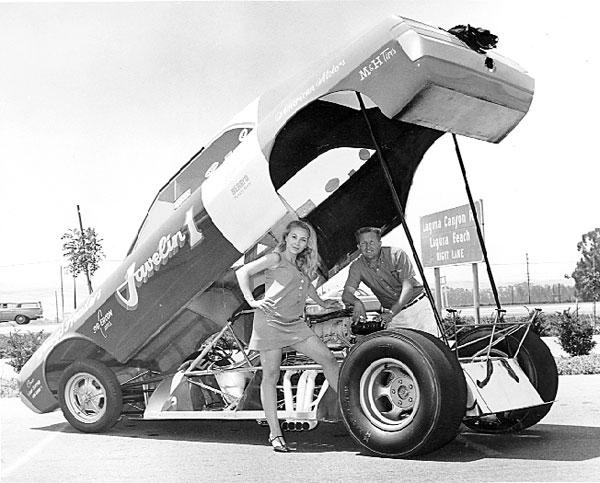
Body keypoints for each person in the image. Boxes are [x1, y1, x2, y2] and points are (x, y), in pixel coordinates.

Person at [235, 220, 340, 453]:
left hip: (295, 324)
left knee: (329, 359)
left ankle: (351, 411)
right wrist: (252, 300)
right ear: (285, 238)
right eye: (294, 237)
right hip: (270, 322)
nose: (298, 243)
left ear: (307, 243)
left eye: (303, 239)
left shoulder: (300, 264)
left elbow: (307, 287)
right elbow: (243, 272)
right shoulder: (276, 258)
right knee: (270, 376)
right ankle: (275, 433)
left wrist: (323, 303)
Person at [341, 226, 440, 336]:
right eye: (363, 243)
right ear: (359, 247)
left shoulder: (397, 254)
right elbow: (346, 294)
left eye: (372, 242)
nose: (368, 247)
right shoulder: (357, 266)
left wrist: (391, 313)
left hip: (418, 309)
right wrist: (357, 302)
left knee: (431, 343)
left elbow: (408, 288)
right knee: (394, 346)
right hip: (394, 316)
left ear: (379, 243)